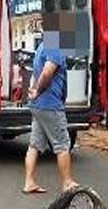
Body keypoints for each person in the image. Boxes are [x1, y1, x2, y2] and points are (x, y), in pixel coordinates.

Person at [22, 35, 78, 195]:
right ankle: (67, 182)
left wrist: (33, 91)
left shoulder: (41, 47)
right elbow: (47, 73)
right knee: (62, 144)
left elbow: (35, 73)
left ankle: (29, 181)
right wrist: (38, 91)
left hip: (38, 105)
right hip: (50, 105)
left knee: (35, 145)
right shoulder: (55, 47)